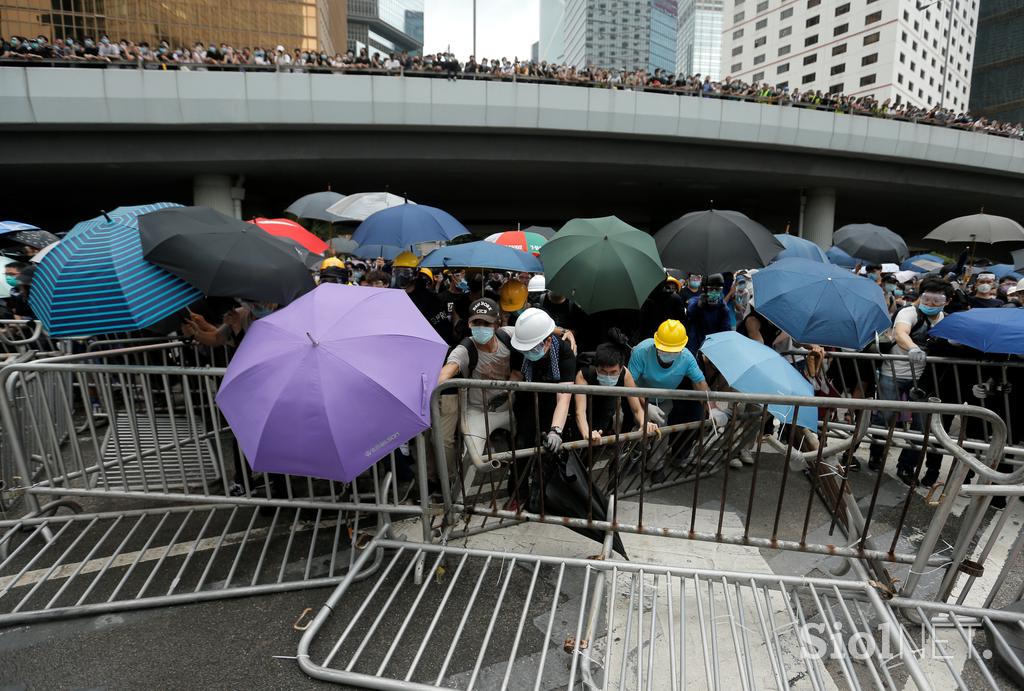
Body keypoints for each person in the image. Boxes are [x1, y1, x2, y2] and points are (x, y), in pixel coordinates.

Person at [868, 277, 951, 485]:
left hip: (923, 381)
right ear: (920, 295)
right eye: (927, 298)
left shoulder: (944, 319)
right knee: (885, 418)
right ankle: (876, 454)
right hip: (893, 374)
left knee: (921, 426)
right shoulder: (908, 312)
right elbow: (901, 333)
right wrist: (912, 347)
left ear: (946, 301)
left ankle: (906, 467)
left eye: (937, 300)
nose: (931, 304)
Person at [436, 297, 521, 470]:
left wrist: (563, 331)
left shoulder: (508, 335)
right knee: (471, 459)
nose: (481, 327)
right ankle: (460, 497)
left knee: (529, 445)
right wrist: (433, 385)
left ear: (496, 324)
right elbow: (449, 368)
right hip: (478, 412)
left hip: (510, 408)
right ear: (469, 324)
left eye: (486, 323)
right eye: (477, 323)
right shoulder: (466, 349)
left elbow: (535, 329)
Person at [572, 329, 658, 441]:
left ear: (621, 368)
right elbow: (580, 411)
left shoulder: (625, 374)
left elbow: (636, 409)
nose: (608, 376)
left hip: (607, 411)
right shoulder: (584, 374)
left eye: (613, 372)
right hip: (587, 410)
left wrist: (644, 423)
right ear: (596, 367)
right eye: (603, 371)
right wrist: (586, 434)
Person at [684, 273, 732, 355]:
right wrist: (699, 305)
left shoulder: (723, 307)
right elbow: (690, 311)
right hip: (695, 346)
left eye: (717, 289)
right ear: (705, 289)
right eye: (711, 289)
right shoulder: (696, 301)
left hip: (713, 347)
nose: (714, 292)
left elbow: (726, 331)